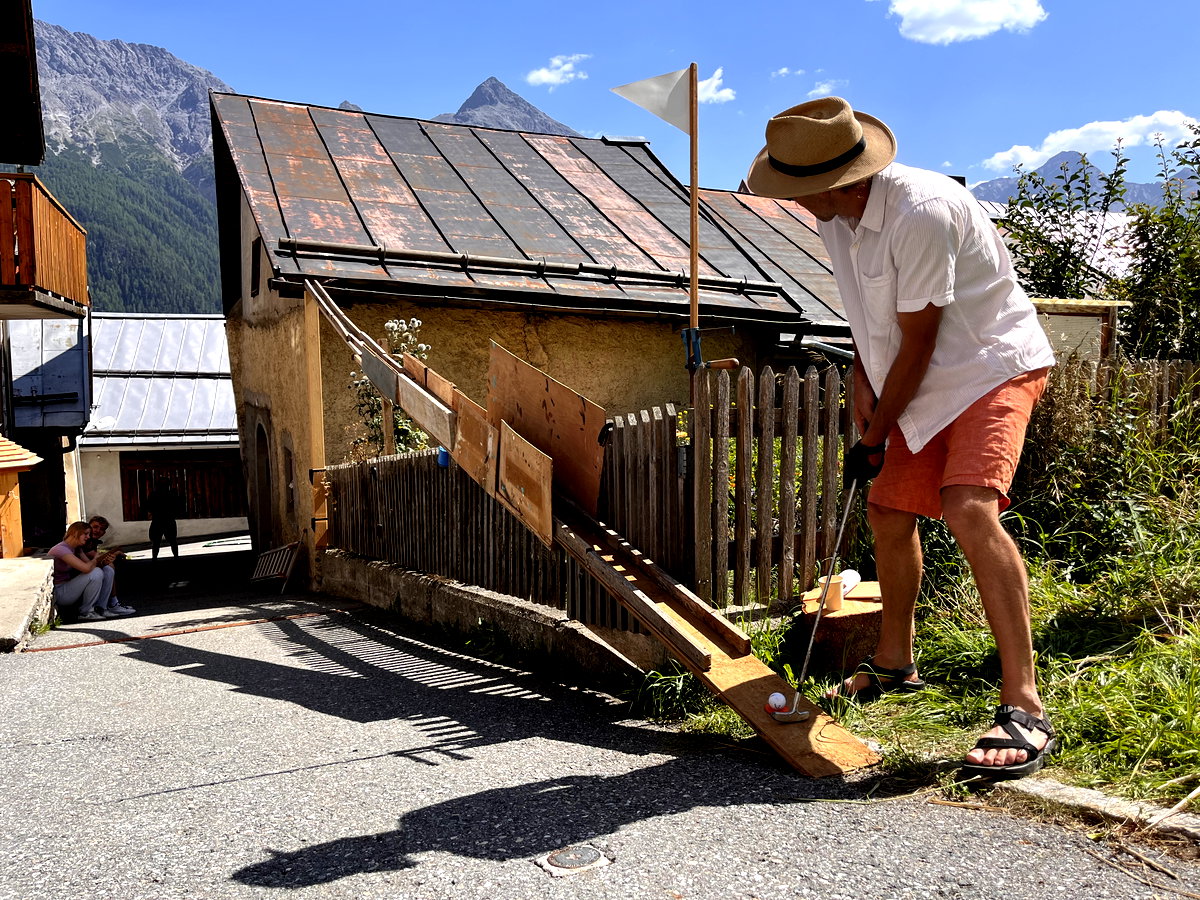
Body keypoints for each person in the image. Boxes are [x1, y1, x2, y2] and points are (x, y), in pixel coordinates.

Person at [746, 97, 1058, 780]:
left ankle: (1025, 704)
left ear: (841, 181)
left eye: (800, 190)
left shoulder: (923, 211)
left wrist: (876, 433)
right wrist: (863, 373)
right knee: (888, 509)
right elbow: (870, 314)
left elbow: (920, 338)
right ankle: (894, 663)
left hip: (988, 366)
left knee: (968, 507)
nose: (794, 202)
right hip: (912, 376)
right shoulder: (835, 217)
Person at [49, 522, 121, 622]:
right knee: (96, 573)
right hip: (60, 592)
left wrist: (105, 562)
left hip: (70, 587)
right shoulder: (61, 549)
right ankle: (86, 612)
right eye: (86, 534)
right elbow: (87, 569)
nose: (88, 537)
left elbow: (90, 565)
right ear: (75, 533)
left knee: (107, 570)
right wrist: (95, 559)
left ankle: (101, 608)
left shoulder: (76, 548)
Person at [79, 515, 135, 617]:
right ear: (88, 527)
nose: (98, 530)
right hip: (76, 578)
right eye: (95, 527)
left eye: (102, 529)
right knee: (109, 567)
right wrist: (115, 552)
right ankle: (112, 604)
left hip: (84, 573)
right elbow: (95, 559)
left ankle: (105, 606)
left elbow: (96, 557)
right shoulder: (85, 541)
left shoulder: (91, 541)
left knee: (108, 567)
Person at [147, 484, 180, 558]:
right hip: (169, 520)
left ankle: (154, 559)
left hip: (157, 520)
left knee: (156, 543)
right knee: (173, 541)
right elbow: (177, 507)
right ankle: (176, 557)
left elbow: (149, 508)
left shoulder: (153, 495)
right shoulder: (171, 494)